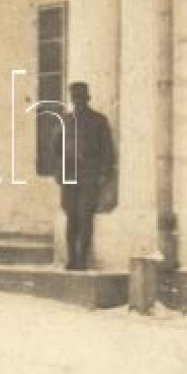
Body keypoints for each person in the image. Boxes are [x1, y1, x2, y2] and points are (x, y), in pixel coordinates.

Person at [47, 81, 117, 271]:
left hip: (89, 172)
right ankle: (71, 258)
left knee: (85, 216)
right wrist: (58, 170)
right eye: (75, 99)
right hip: (69, 172)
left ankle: (82, 259)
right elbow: (55, 148)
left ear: (88, 99)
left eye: (82, 99)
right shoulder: (65, 121)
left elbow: (107, 149)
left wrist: (104, 172)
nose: (79, 103)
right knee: (71, 217)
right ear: (71, 100)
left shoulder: (98, 120)